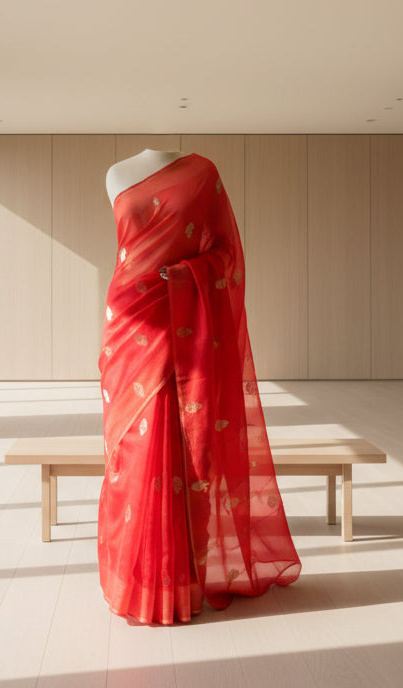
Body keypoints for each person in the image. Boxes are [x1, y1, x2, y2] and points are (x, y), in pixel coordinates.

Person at [97, 149, 301, 625]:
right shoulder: (114, 174)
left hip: (179, 314)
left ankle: (178, 581)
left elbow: (227, 252)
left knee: (177, 443)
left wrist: (185, 277)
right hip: (128, 318)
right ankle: (138, 577)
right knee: (132, 450)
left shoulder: (202, 174)